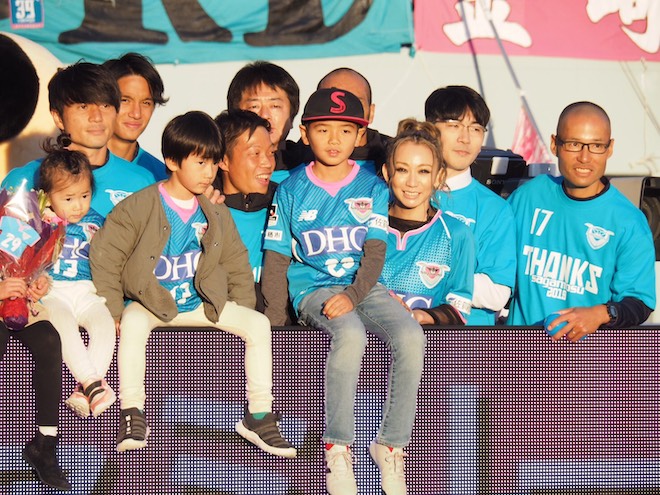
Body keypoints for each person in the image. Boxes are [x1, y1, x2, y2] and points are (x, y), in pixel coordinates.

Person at [89, 111, 295, 457]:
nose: (208, 172)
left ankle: (259, 415)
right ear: (172, 161)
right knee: (133, 322)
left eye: (213, 163)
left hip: (200, 304)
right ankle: (132, 413)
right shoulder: (138, 206)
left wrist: (241, 308)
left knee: (258, 324)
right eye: (200, 163)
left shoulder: (215, 210)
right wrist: (113, 310)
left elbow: (236, 262)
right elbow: (106, 256)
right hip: (153, 304)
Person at [261, 89, 425, 495]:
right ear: (305, 133)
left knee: (411, 335)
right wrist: (275, 322)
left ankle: (390, 445)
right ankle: (337, 447)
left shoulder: (372, 186)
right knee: (350, 334)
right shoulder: (290, 189)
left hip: (363, 287)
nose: (334, 139)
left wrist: (353, 295)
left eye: (345, 130)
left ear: (360, 135)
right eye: (323, 130)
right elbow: (276, 261)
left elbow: (375, 253)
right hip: (313, 288)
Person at [507, 101, 655, 338]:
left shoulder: (629, 221)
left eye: (596, 146)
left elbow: (639, 302)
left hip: (589, 358)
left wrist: (601, 313)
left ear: (610, 148)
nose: (585, 158)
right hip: (520, 352)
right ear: (555, 144)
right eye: (574, 144)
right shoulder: (527, 197)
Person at [1, 61, 154, 217]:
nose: (97, 117)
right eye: (83, 106)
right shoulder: (24, 181)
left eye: (105, 106)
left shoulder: (142, 182)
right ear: (58, 118)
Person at [425, 85, 516, 325]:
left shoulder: (495, 209)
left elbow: (497, 293)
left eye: (475, 129)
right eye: (454, 126)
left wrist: (426, 271)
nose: (465, 138)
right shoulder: (402, 191)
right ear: (430, 129)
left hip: (465, 340)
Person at [37, 141, 116, 419]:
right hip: (53, 292)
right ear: (47, 196)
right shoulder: (39, 222)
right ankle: (93, 384)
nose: (78, 205)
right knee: (63, 326)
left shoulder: (99, 221)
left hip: (87, 292)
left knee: (105, 326)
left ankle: (85, 392)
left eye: (84, 195)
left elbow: (110, 260)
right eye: (68, 199)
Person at [380, 119, 475, 325]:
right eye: (402, 169)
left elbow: (460, 306)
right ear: (387, 173)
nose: (412, 182)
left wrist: (421, 316)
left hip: (426, 344)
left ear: (438, 177)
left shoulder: (456, 233)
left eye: (423, 171)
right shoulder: (366, 226)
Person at [0, 277, 71, 490]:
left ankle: (45, 444)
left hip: (24, 307)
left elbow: (40, 267)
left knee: (50, 340)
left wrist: (39, 284)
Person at [213, 109, 276, 310]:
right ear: (223, 160)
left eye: (271, 153)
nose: (267, 163)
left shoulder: (285, 202)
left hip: (275, 323)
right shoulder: (203, 208)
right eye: (255, 153)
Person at [291, 67, 392, 176]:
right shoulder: (291, 160)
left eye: (356, 102)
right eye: (331, 102)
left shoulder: (393, 155)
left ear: (371, 112)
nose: (345, 110)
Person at [226, 60, 300, 182]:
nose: (265, 115)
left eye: (275, 106)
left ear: (292, 115)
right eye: (254, 107)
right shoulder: (213, 174)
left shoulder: (311, 166)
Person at [103, 52, 169, 181]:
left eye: (146, 103)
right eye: (125, 100)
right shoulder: (72, 168)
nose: (136, 114)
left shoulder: (160, 178)